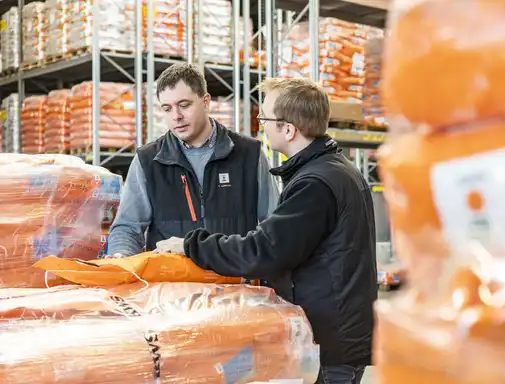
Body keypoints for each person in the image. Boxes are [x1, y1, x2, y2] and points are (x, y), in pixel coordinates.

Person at [155, 77, 378, 384]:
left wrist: (191, 245)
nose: (261, 126)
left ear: (288, 129)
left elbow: (264, 250)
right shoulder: (334, 170)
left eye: (265, 119)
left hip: (330, 342)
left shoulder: (315, 183)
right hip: (339, 333)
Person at [106, 63, 279, 257]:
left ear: (206, 102)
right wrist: (120, 254)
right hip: (172, 284)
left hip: (234, 283)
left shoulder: (249, 155)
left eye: (184, 105)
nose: (176, 116)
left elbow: (274, 227)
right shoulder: (148, 161)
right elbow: (127, 228)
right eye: (167, 109)